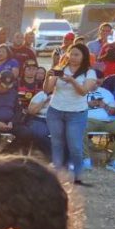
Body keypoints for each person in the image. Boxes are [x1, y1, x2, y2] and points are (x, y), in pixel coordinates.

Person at [44, 43, 98, 185]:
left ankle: (78, 177)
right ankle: (58, 175)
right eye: (71, 54)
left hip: (76, 113)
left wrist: (72, 80)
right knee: (57, 143)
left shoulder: (89, 73)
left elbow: (83, 92)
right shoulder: (61, 69)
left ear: (83, 56)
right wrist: (47, 77)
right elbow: (48, 90)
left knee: (75, 146)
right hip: (55, 110)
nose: (72, 57)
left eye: (76, 54)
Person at [0, 71, 44, 157]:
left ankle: (10, 151)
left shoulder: (13, 93)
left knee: (26, 133)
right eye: (3, 86)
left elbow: (18, 111)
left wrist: (12, 122)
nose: (5, 89)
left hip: (10, 123)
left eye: (8, 86)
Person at [82, 83, 115, 174]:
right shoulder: (80, 90)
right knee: (79, 125)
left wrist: (104, 105)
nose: (95, 81)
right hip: (87, 119)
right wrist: (87, 104)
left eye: (97, 78)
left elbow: (114, 111)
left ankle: (114, 160)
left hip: (107, 121)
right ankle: (84, 159)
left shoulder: (105, 92)